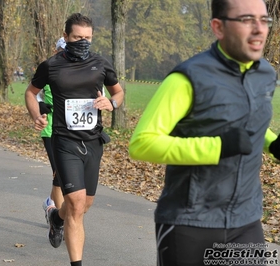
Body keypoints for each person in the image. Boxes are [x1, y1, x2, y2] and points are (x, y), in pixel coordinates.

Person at [128, 0, 278, 265]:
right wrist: (217, 147)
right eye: (246, 20)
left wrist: (273, 143)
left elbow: (245, 121)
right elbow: (142, 143)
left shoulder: (265, 74)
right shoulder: (187, 78)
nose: (259, 30)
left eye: (264, 20)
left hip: (246, 219)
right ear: (218, 27)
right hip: (190, 222)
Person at [25, 13, 124, 266]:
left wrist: (111, 103)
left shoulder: (101, 64)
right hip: (65, 142)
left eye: (88, 38)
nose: (83, 42)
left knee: (84, 205)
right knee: (77, 205)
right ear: (66, 35)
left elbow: (119, 92)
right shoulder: (51, 66)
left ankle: (57, 218)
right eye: (78, 37)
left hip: (93, 142)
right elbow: (31, 92)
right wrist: (37, 115)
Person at [40, 37, 67, 222]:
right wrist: (40, 106)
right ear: (56, 50)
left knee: (62, 175)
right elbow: (33, 93)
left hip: (72, 131)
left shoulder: (79, 71)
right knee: (59, 173)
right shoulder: (48, 69)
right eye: (61, 51)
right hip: (50, 129)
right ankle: (61, 220)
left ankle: (51, 204)